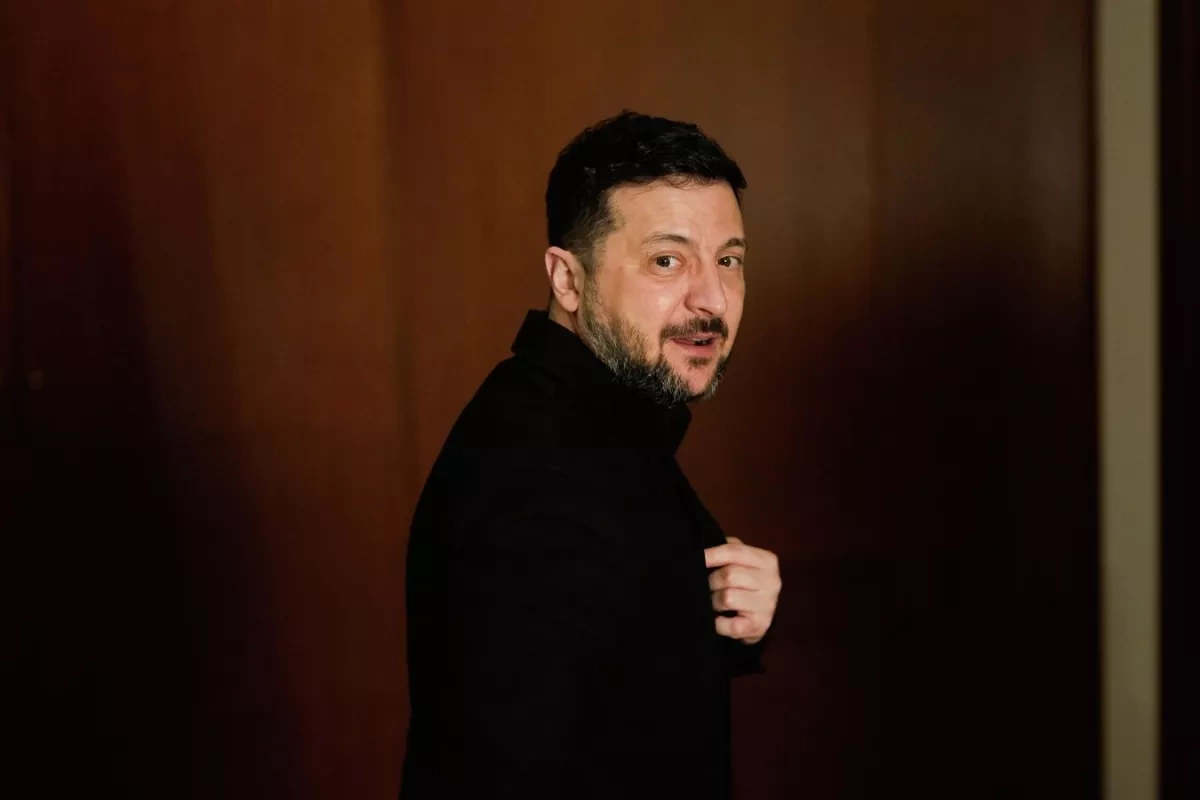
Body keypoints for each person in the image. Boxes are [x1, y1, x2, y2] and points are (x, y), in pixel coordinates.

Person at [399, 110, 781, 799]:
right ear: (568, 281)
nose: (712, 299)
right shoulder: (536, 484)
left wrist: (728, 613)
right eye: (667, 261)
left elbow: (617, 681)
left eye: (728, 260)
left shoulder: (604, 423)